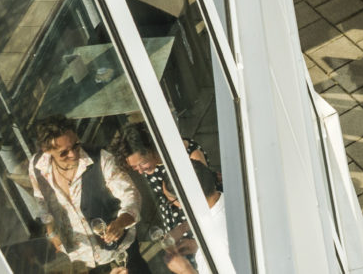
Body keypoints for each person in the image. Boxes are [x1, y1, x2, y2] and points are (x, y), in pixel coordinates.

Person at [28, 116, 145, 274]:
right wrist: (52, 233)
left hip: (118, 254)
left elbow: (132, 197)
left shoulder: (101, 159)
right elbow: (43, 206)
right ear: (47, 151)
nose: (74, 154)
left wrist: (120, 223)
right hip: (80, 263)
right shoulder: (37, 167)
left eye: (76, 145)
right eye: (64, 153)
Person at [109, 123, 222, 274]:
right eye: (135, 168)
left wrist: (196, 241)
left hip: (199, 221)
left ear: (151, 148)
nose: (141, 171)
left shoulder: (188, 155)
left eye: (142, 163)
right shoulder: (149, 165)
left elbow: (205, 201)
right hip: (179, 221)